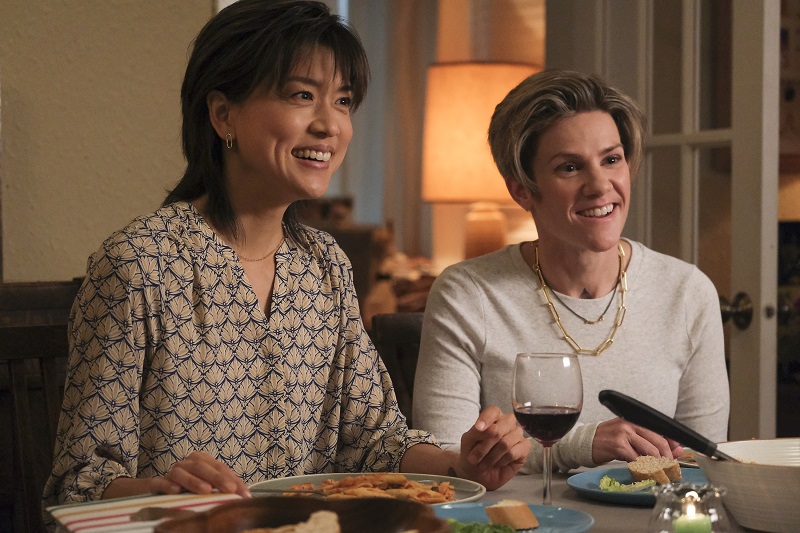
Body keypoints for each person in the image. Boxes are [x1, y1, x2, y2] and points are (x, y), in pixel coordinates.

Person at [43, 0, 530, 509]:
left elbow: (374, 442)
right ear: (222, 114)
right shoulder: (137, 266)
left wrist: (462, 465)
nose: (330, 125)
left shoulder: (324, 264)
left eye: (343, 102)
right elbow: (77, 486)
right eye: (303, 95)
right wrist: (162, 492)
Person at [413, 69, 730, 473]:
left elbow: (703, 461)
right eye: (569, 167)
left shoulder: (687, 293)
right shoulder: (468, 294)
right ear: (522, 190)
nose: (600, 185)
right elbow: (448, 463)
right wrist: (578, 443)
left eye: (612, 159)